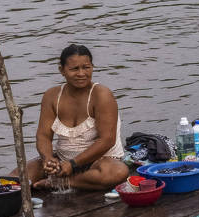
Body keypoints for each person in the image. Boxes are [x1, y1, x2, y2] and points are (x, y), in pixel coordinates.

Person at [25, 44, 130, 192]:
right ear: (61, 70)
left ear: (92, 67)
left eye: (86, 67)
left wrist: (73, 164)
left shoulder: (101, 95)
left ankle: (62, 182)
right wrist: (48, 159)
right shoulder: (52, 96)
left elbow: (107, 140)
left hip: (99, 162)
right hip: (63, 161)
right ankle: (57, 178)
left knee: (117, 172)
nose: (81, 73)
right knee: (20, 175)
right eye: (74, 69)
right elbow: (43, 135)